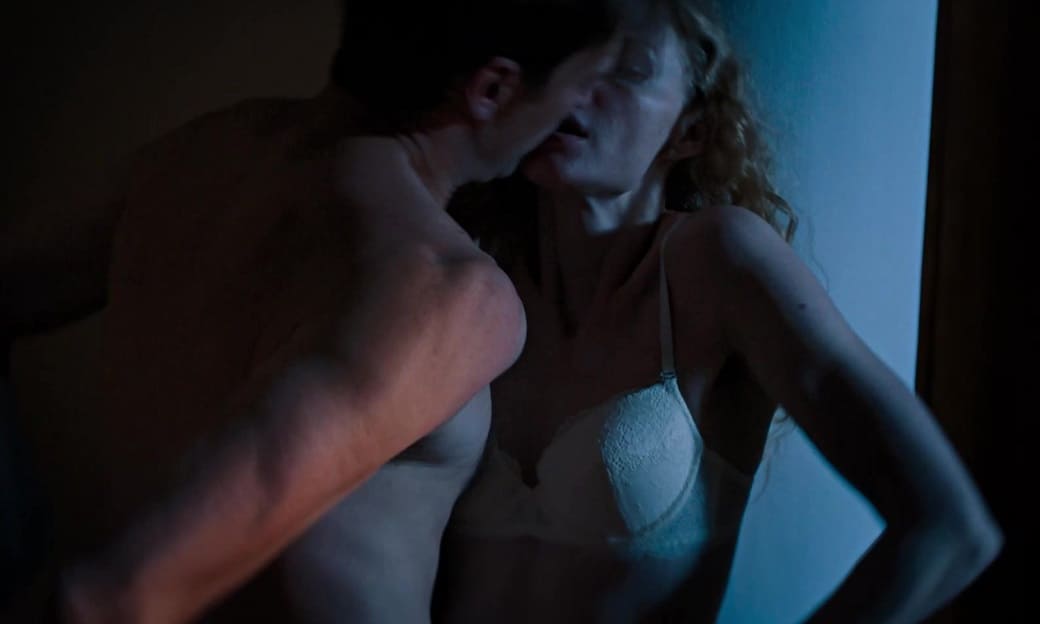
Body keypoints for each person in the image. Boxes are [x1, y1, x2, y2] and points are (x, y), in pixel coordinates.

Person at [0, 1, 641, 621]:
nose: (582, 107)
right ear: (493, 88)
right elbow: (114, 598)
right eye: (584, 81)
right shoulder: (448, 288)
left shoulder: (193, 153)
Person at [435, 1, 1003, 622]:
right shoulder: (470, 273)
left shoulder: (718, 260)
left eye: (627, 69)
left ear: (691, 131)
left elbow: (950, 530)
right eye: (565, 62)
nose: (576, 88)